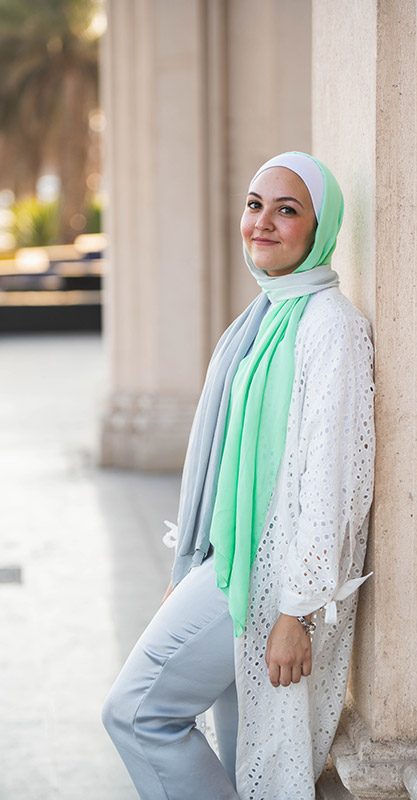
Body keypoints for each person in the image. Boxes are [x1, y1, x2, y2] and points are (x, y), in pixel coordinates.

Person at [101, 151, 376, 800]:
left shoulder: (329, 327)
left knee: (136, 714)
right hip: (226, 565)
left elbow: (331, 484)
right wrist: (193, 563)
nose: (263, 223)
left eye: (287, 210)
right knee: (236, 751)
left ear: (319, 228)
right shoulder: (260, 322)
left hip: (270, 581)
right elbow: (225, 467)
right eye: (255, 205)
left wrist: (296, 614)